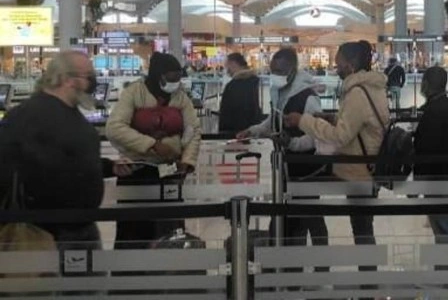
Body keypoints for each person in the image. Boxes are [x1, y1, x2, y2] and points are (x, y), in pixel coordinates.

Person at [0, 51, 133, 246]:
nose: (92, 84)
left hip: (79, 226)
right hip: (45, 233)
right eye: (88, 77)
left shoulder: (70, 113)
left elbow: (69, 161)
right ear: (66, 79)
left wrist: (108, 167)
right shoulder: (27, 117)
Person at [284, 41, 388, 261]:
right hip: (363, 166)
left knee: (361, 229)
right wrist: (330, 118)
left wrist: (303, 121)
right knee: (362, 227)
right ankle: (366, 275)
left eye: (339, 63)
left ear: (351, 64)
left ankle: (365, 277)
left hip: (359, 170)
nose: (336, 67)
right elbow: (358, 124)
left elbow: (341, 136)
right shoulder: (370, 88)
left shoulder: (358, 93)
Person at [236, 48, 328, 253]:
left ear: (293, 70)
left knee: (311, 215)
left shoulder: (308, 97)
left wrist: (292, 143)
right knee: (292, 216)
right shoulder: (280, 92)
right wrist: (253, 131)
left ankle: (321, 262)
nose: (275, 75)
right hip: (285, 166)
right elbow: (273, 119)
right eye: (273, 71)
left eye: (280, 71)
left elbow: (316, 136)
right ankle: (292, 261)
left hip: (306, 168)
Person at [105, 52, 201, 248]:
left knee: (170, 231)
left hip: (170, 172)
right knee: (134, 231)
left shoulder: (180, 98)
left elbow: (193, 130)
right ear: (158, 75)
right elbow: (115, 128)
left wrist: (187, 161)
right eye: (171, 78)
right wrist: (152, 144)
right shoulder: (134, 92)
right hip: (136, 172)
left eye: (178, 77)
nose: (175, 83)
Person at [415, 67, 448, 268]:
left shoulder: (431, 112)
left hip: (437, 178)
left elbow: (426, 150)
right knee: (446, 222)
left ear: (428, 84)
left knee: (444, 225)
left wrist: (418, 180)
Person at [218, 53, 261, 134]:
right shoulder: (255, 81)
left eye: (227, 66)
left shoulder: (233, 85)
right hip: (252, 130)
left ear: (233, 63)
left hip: (235, 131)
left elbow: (226, 113)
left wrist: (222, 133)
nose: (227, 71)